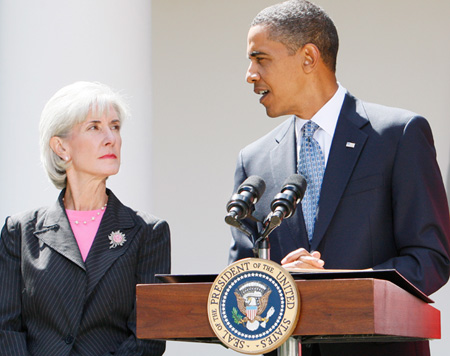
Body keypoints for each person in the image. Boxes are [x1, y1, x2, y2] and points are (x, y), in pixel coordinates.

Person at [228, 1, 450, 355]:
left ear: (308, 57)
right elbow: (241, 275)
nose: (250, 74)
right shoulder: (253, 160)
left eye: (261, 58)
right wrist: (279, 280)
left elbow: (429, 259)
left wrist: (338, 287)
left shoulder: (397, 135)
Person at [0, 81, 171, 355]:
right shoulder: (19, 233)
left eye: (115, 126)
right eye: (94, 127)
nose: (111, 138)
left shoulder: (149, 232)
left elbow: (147, 336)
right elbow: (6, 329)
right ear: (61, 147)